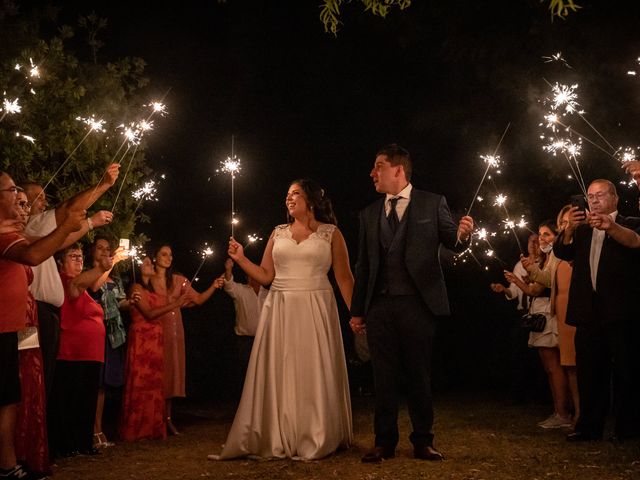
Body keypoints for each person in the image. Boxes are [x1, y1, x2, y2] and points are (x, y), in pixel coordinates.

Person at [210, 178, 354, 460]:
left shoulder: (331, 233)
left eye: (296, 194)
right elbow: (265, 276)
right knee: (282, 367)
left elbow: (344, 278)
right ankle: (280, 432)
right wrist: (240, 258)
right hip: (281, 307)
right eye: (287, 194)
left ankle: (315, 432)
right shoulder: (278, 233)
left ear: (310, 200)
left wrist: (357, 314)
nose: (289, 199)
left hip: (316, 306)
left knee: (311, 368)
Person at [349, 145, 473, 463]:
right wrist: (358, 311)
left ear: (398, 170)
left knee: (419, 374)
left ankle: (423, 441)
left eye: (378, 166)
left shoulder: (433, 203)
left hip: (419, 304)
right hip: (379, 306)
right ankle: (384, 442)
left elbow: (453, 243)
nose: (372, 173)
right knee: (383, 376)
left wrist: (465, 234)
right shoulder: (368, 214)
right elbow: (363, 266)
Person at [0, 172, 84, 480]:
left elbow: (51, 241)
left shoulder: (15, 231)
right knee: (25, 384)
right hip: (20, 325)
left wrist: (82, 223)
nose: (23, 205)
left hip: (21, 325)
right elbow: (35, 253)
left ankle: (18, 458)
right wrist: (69, 223)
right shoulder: (12, 233)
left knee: (20, 391)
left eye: (25, 201)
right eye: (16, 196)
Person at [20, 163, 119, 401]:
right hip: (34, 314)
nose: (44, 203)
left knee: (42, 379)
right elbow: (68, 208)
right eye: (38, 198)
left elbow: (62, 238)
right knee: (30, 377)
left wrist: (91, 223)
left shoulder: (36, 234)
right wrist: (104, 184)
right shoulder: (32, 226)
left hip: (46, 315)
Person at [554, 179, 640, 442]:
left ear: (614, 198)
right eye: (590, 196)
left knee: (627, 372)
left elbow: (635, 241)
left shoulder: (630, 221)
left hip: (622, 311)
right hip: (588, 312)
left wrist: (611, 226)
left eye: (600, 195)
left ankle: (628, 429)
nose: (593, 200)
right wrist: (569, 229)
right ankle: (589, 427)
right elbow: (561, 250)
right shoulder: (582, 231)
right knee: (590, 372)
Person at [48, 243, 123, 458]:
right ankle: (66, 444)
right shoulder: (64, 282)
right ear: (61, 263)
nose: (79, 259)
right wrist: (102, 267)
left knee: (86, 401)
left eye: (80, 256)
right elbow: (77, 285)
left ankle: (83, 441)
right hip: (71, 353)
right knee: (69, 400)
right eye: (73, 256)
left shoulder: (85, 288)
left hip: (92, 354)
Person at [149, 244, 224, 435]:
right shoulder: (147, 280)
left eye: (171, 254)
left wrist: (213, 286)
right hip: (154, 330)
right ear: (155, 257)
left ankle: (167, 418)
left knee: (171, 373)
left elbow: (197, 299)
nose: (168, 258)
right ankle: (152, 417)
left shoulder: (178, 280)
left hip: (175, 332)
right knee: (155, 372)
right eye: (164, 254)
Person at [507, 220, 573, 429]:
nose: (541, 239)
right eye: (539, 234)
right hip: (540, 312)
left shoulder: (558, 258)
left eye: (546, 235)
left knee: (555, 367)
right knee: (549, 367)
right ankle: (559, 411)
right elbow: (535, 287)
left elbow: (541, 287)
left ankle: (563, 413)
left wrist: (529, 273)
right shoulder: (546, 258)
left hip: (549, 313)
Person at [119, 257, 191, 441]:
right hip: (143, 340)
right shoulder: (136, 288)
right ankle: (138, 428)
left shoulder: (149, 290)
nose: (151, 265)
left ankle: (151, 427)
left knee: (153, 384)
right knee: (141, 382)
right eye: (146, 263)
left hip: (155, 341)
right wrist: (176, 304)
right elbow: (149, 314)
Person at [13, 192, 50, 477]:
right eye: (23, 203)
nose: (26, 209)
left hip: (29, 317)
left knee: (32, 378)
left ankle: (30, 448)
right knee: (20, 379)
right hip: (15, 319)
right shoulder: (17, 241)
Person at [489, 233, 542, 404]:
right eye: (530, 242)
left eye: (536, 241)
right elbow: (514, 292)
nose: (532, 245)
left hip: (539, 313)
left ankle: (539, 395)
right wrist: (503, 289)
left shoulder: (544, 262)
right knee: (518, 354)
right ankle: (518, 394)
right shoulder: (520, 264)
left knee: (539, 356)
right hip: (523, 315)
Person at [87, 237, 128, 449]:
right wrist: (109, 265)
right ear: (92, 251)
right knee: (94, 382)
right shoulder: (88, 274)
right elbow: (94, 287)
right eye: (100, 248)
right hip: (94, 332)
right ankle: (90, 430)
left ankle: (98, 428)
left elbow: (120, 303)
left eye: (107, 249)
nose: (104, 252)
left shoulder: (115, 278)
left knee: (104, 384)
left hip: (113, 333)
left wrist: (133, 301)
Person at [221, 258, 268, 382]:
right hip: (245, 342)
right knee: (247, 375)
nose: (252, 277)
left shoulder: (269, 293)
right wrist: (228, 269)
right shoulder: (241, 290)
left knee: (265, 373)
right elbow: (229, 284)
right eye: (249, 275)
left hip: (265, 340)